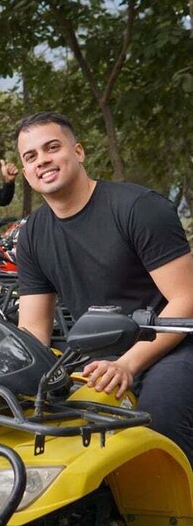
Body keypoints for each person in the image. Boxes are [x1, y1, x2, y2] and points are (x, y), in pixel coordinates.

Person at [15, 111, 193, 465]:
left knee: (158, 425)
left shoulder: (138, 208)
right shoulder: (32, 234)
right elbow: (33, 328)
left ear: (78, 152)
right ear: (25, 172)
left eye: (52, 148)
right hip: (102, 352)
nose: (43, 161)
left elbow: (186, 298)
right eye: (31, 156)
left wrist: (128, 365)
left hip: (174, 345)